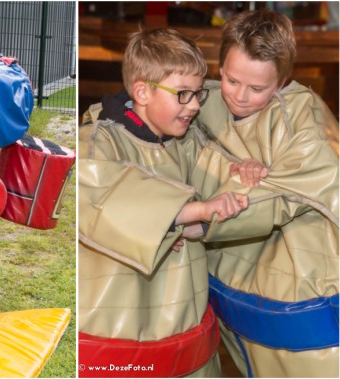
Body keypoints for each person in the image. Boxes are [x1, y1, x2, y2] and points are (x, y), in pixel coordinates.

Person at [77, 29, 250, 377]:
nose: (197, 105)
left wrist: (245, 170)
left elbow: (220, 174)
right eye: (183, 94)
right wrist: (189, 213)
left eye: (198, 93)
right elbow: (98, 195)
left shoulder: (187, 142)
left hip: (187, 324)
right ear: (141, 91)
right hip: (119, 329)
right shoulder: (99, 141)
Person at [190, 9, 340, 377]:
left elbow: (290, 190)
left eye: (257, 89)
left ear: (283, 80)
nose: (240, 96)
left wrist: (197, 217)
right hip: (233, 295)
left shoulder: (303, 120)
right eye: (230, 79)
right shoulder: (201, 103)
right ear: (219, 66)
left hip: (302, 294)